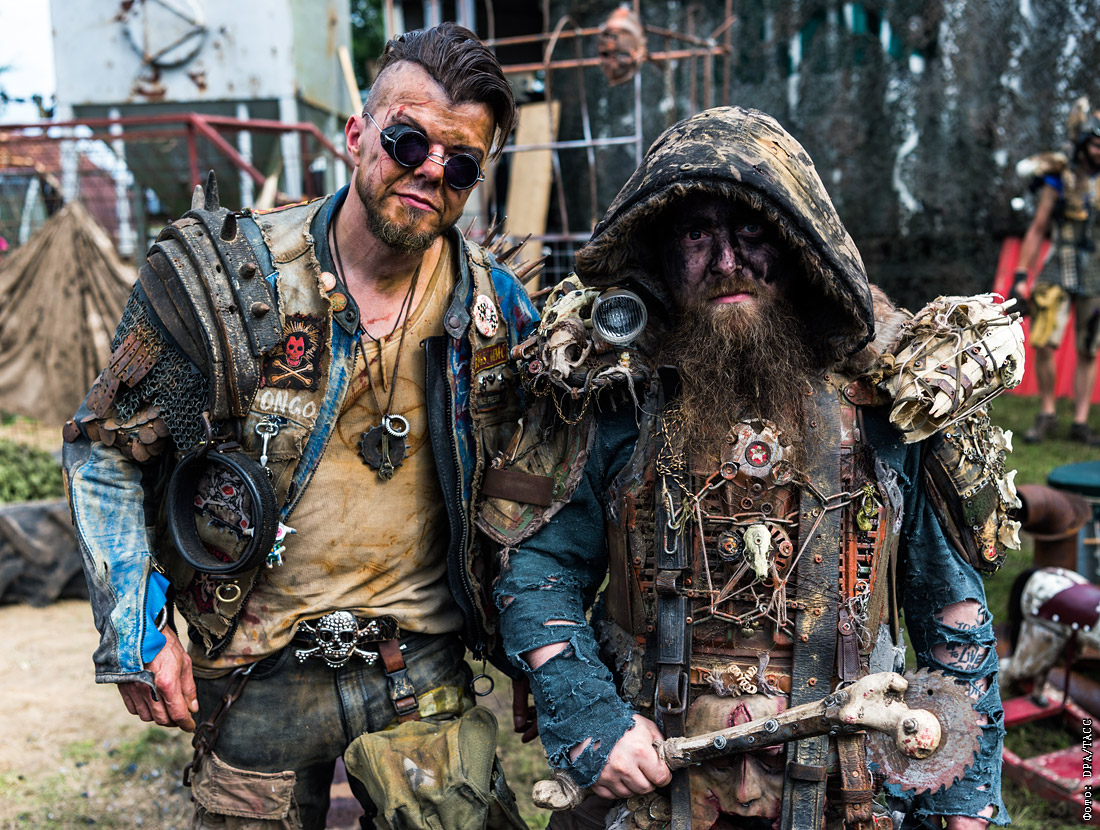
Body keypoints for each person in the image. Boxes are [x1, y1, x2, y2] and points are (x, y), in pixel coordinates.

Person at [483, 107, 1023, 829]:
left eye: (752, 232)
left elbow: (952, 615)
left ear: (800, 243)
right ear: (661, 251)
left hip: (851, 794)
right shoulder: (615, 397)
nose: (726, 262)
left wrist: (965, 806)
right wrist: (590, 719)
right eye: (696, 235)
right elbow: (537, 569)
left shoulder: (890, 403)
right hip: (650, 789)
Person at [62, 23, 536, 830]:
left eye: (460, 163)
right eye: (408, 141)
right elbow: (104, 448)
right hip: (257, 673)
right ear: (356, 136)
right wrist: (134, 629)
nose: (431, 170)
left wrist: (531, 647)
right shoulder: (227, 284)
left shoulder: (493, 311)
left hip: (418, 667)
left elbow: (531, 488)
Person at [1011, 100, 1100, 446]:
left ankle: (1080, 421)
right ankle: (1047, 411)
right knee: (1044, 340)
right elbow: (1038, 227)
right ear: (1083, 143)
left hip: (1095, 272)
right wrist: (1022, 274)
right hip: (1058, 266)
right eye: (1095, 144)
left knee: (1089, 347)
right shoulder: (1060, 177)